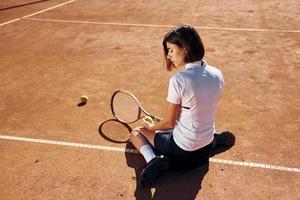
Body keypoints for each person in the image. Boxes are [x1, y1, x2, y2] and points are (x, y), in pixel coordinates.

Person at [130, 24, 234, 188]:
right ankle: (215, 139)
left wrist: (152, 126)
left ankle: (153, 161)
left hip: (182, 154)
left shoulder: (179, 80)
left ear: (184, 48)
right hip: (205, 149)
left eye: (171, 49)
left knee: (136, 132)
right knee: (192, 124)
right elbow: (200, 109)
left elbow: (169, 123)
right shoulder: (217, 73)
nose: (169, 55)